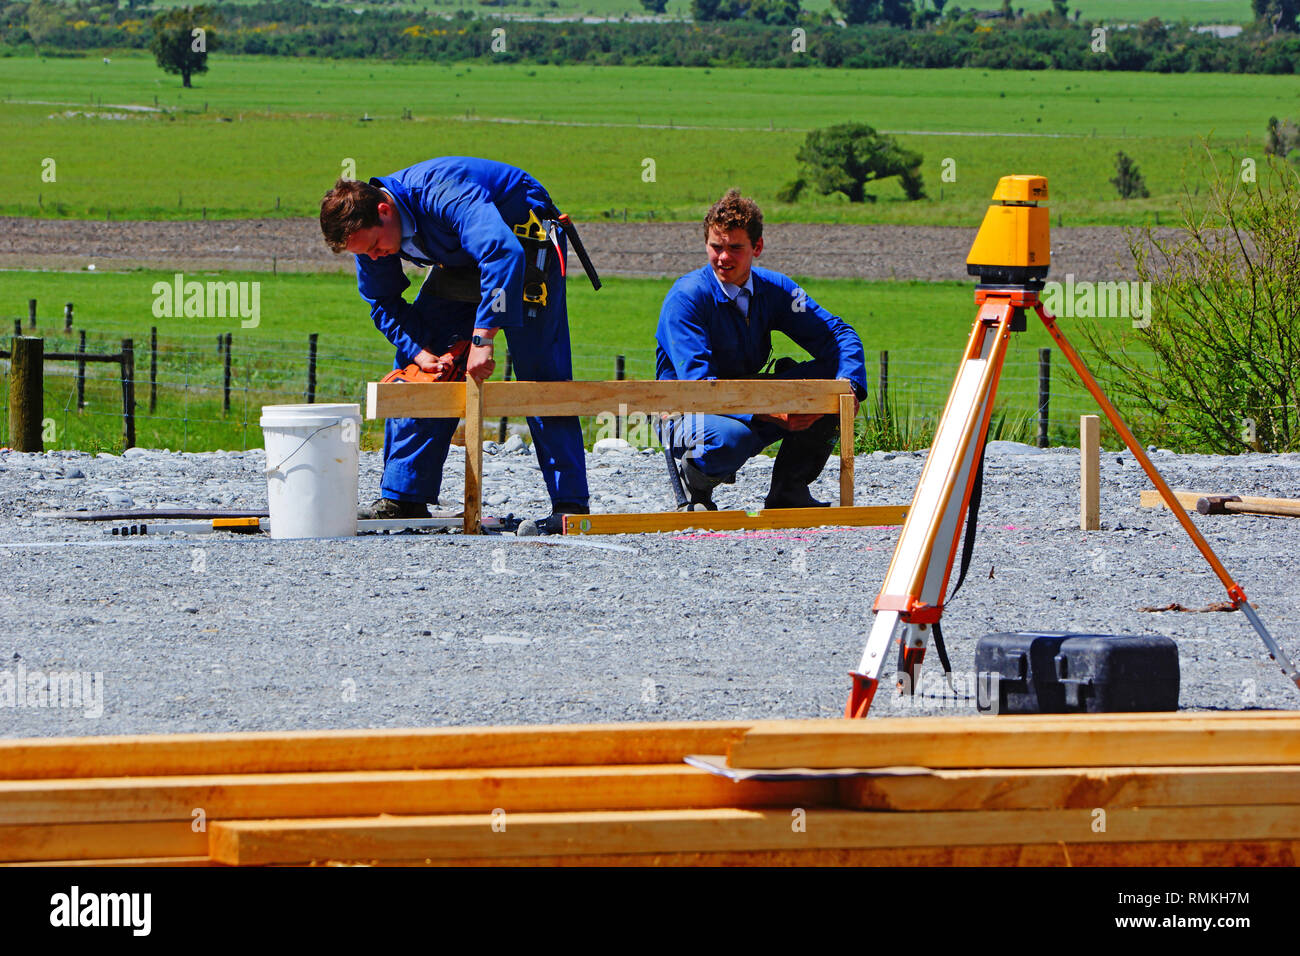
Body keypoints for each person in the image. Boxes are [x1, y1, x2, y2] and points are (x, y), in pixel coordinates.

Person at [319, 157, 590, 535]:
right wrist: (419, 351)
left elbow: (502, 253)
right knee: (421, 369)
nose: (375, 257)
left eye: (376, 246)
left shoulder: (442, 192)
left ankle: (569, 504)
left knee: (540, 375)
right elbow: (382, 300)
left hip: (524, 244)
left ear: (384, 210)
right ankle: (404, 497)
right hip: (459, 260)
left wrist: (483, 336)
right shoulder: (371, 236)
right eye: (363, 253)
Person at [655, 189, 868, 511]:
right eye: (716, 247)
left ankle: (789, 491)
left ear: (758, 247)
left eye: (735, 248)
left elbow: (839, 334)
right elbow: (698, 386)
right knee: (730, 438)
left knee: (830, 385)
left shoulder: (776, 289)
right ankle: (695, 480)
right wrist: (770, 411)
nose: (723, 257)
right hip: (688, 409)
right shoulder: (686, 298)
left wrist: (848, 386)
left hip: (751, 393)